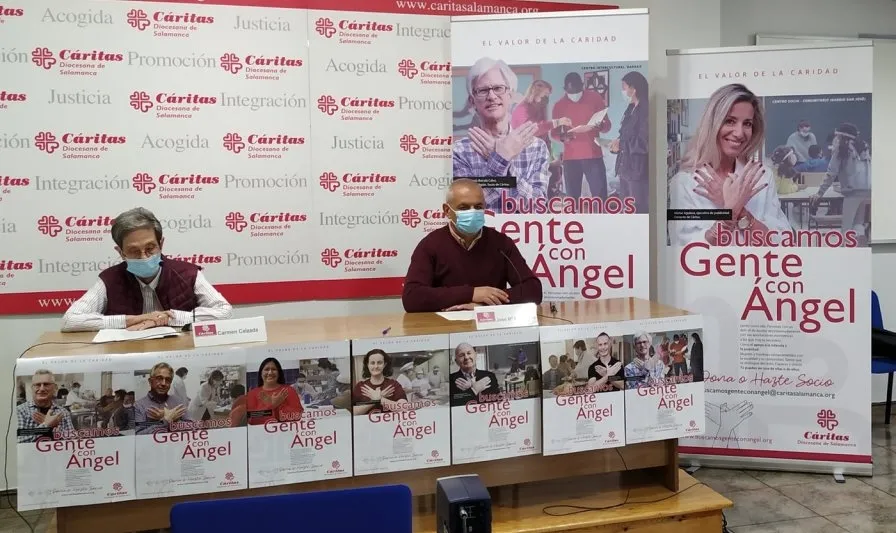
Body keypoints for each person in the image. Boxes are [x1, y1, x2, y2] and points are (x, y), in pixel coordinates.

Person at [61, 207, 233, 332]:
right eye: (134, 251)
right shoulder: (110, 279)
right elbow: (70, 320)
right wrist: (131, 320)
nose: (144, 257)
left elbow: (224, 311)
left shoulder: (187, 274)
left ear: (161, 244)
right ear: (120, 253)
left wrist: (169, 318)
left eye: (150, 248)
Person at [668, 84, 792, 246]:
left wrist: (739, 211)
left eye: (747, 124)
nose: (739, 133)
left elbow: (782, 242)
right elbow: (685, 250)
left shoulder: (762, 176)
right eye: (730, 121)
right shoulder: (684, 183)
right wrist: (729, 212)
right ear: (712, 124)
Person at [401, 179, 543, 312]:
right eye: (464, 207)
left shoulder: (500, 243)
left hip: (491, 327)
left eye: (478, 206)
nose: (472, 212)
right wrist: (472, 293)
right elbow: (412, 297)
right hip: (445, 329)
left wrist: (484, 303)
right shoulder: (431, 245)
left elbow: (533, 290)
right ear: (447, 210)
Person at [453, 57, 549, 213]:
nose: (491, 96)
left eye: (498, 88)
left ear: (510, 95)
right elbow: (467, 208)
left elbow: (537, 208)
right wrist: (501, 159)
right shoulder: (458, 151)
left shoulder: (536, 147)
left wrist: (499, 159)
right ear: (472, 101)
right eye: (483, 90)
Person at [551, 71, 612, 199]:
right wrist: (563, 138)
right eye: (570, 92)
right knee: (572, 199)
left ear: (582, 85)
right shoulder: (558, 106)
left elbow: (607, 126)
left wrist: (601, 125)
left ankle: (604, 219)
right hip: (571, 158)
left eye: (577, 91)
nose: (574, 95)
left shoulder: (595, 98)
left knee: (601, 197)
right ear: (565, 89)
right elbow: (553, 133)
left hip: (593, 155)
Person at [810, 123, 871, 244]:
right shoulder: (863, 147)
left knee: (847, 226)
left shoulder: (841, 149)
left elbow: (831, 174)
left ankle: (846, 254)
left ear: (842, 137)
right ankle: (860, 252)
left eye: (837, 136)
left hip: (852, 192)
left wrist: (820, 193)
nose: (835, 139)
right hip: (867, 189)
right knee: (858, 223)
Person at [610, 71, 650, 213]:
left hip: (638, 172)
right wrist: (616, 144)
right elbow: (625, 136)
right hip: (625, 169)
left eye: (624, 87)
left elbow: (645, 144)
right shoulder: (630, 109)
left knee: (638, 211)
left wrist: (622, 145)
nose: (623, 91)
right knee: (627, 211)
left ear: (634, 89)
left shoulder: (646, 110)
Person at [511, 79, 570, 158]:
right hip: (524, 154)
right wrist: (557, 122)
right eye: (545, 94)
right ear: (536, 92)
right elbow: (533, 130)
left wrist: (547, 149)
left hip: (538, 153)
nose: (547, 97)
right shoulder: (522, 108)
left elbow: (543, 131)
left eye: (548, 95)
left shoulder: (539, 107)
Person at [16, 370, 74, 443]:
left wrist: (50, 426)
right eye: (37, 385)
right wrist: (47, 425)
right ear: (32, 388)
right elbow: (19, 441)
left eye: (46, 384)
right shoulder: (20, 411)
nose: (42, 388)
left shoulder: (63, 412)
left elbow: (72, 441)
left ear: (55, 388)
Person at [135, 362, 191, 434]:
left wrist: (172, 418)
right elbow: (139, 434)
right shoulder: (139, 406)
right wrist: (165, 420)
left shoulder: (178, 402)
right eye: (159, 378)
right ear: (150, 381)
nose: (163, 383)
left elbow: (192, 426)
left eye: (168, 380)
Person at [246, 357, 303, 425]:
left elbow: (298, 415)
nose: (270, 372)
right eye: (266, 369)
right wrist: (271, 406)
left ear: (279, 373)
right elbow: (252, 420)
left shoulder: (289, 390)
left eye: (274, 369)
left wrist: (276, 406)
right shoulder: (252, 394)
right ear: (261, 373)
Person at [352, 349, 409, 414]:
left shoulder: (394, 385)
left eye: (379, 363)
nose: (376, 366)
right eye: (372, 363)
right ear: (367, 365)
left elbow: (404, 409)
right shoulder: (360, 386)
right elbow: (353, 413)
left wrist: (381, 399)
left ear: (384, 365)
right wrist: (374, 401)